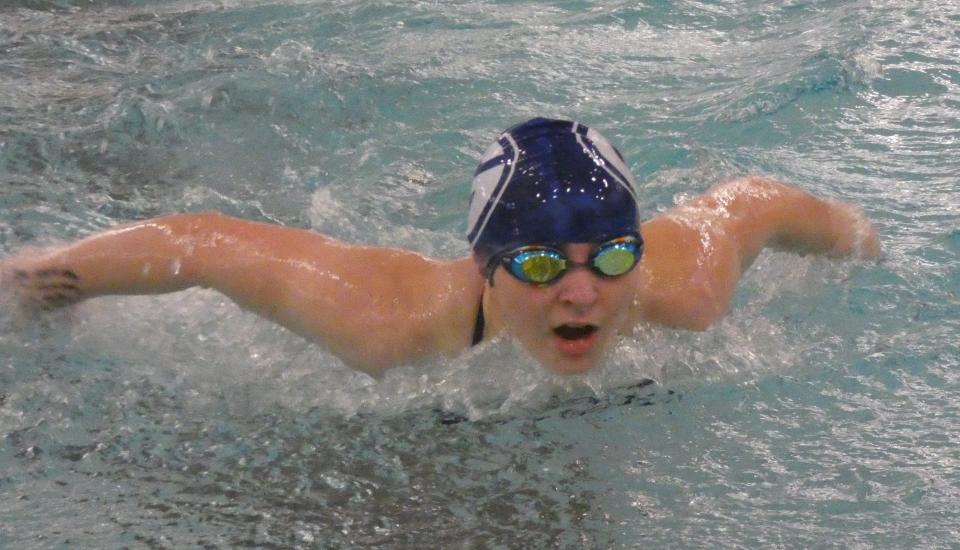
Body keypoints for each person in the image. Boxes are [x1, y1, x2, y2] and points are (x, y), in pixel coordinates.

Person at [0, 118, 880, 377]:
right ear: (484, 266)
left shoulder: (678, 290)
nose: (583, 295)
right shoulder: (382, 320)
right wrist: (38, 282)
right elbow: (203, 242)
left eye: (610, 257)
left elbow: (750, 204)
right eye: (538, 265)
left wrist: (858, 237)